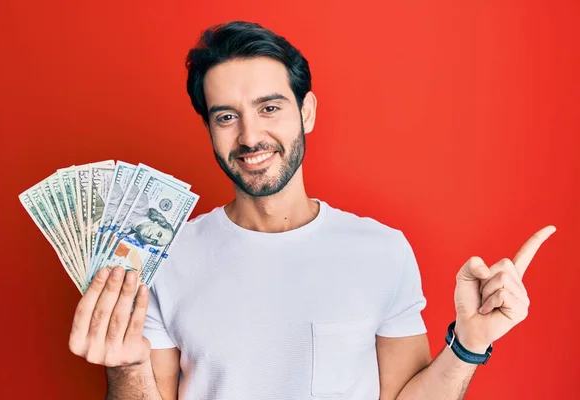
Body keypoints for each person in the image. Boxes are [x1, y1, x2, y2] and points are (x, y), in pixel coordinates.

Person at [68, 21, 555, 400]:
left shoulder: (381, 251)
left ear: (307, 112)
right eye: (225, 116)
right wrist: (126, 367)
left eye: (270, 108)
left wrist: (468, 345)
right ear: (210, 129)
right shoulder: (164, 257)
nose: (250, 136)